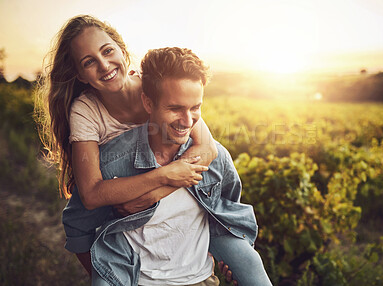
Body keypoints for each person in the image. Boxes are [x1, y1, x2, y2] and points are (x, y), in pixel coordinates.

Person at [64, 46, 272, 285]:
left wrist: (230, 253)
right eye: (175, 108)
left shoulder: (214, 158)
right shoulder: (112, 163)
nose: (187, 121)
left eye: (195, 108)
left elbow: (227, 209)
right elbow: (78, 226)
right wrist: (106, 277)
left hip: (199, 280)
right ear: (148, 103)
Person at [34, 13, 219, 275]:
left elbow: (208, 148)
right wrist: (165, 174)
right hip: (127, 221)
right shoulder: (85, 111)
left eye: (108, 51)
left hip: (167, 206)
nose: (104, 65)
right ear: (80, 74)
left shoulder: (154, 85)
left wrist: (153, 194)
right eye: (89, 62)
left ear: (122, 50)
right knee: (78, 224)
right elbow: (91, 194)